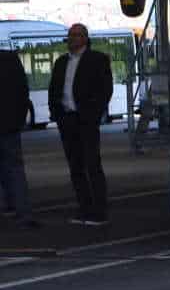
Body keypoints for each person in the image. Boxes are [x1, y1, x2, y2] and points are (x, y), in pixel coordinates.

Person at [48, 24, 114, 226]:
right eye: (70, 35)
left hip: (86, 120)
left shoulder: (97, 60)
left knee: (92, 165)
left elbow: (105, 90)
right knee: (75, 167)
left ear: (85, 38)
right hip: (67, 120)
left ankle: (99, 212)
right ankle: (84, 209)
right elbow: (54, 90)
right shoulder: (61, 62)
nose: (72, 38)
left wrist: (94, 113)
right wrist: (57, 114)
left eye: (77, 35)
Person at [0, 47, 39, 228]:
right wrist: (19, 119)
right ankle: (23, 212)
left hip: (9, 123)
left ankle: (9, 205)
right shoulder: (11, 59)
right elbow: (23, 91)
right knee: (15, 169)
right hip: (10, 125)